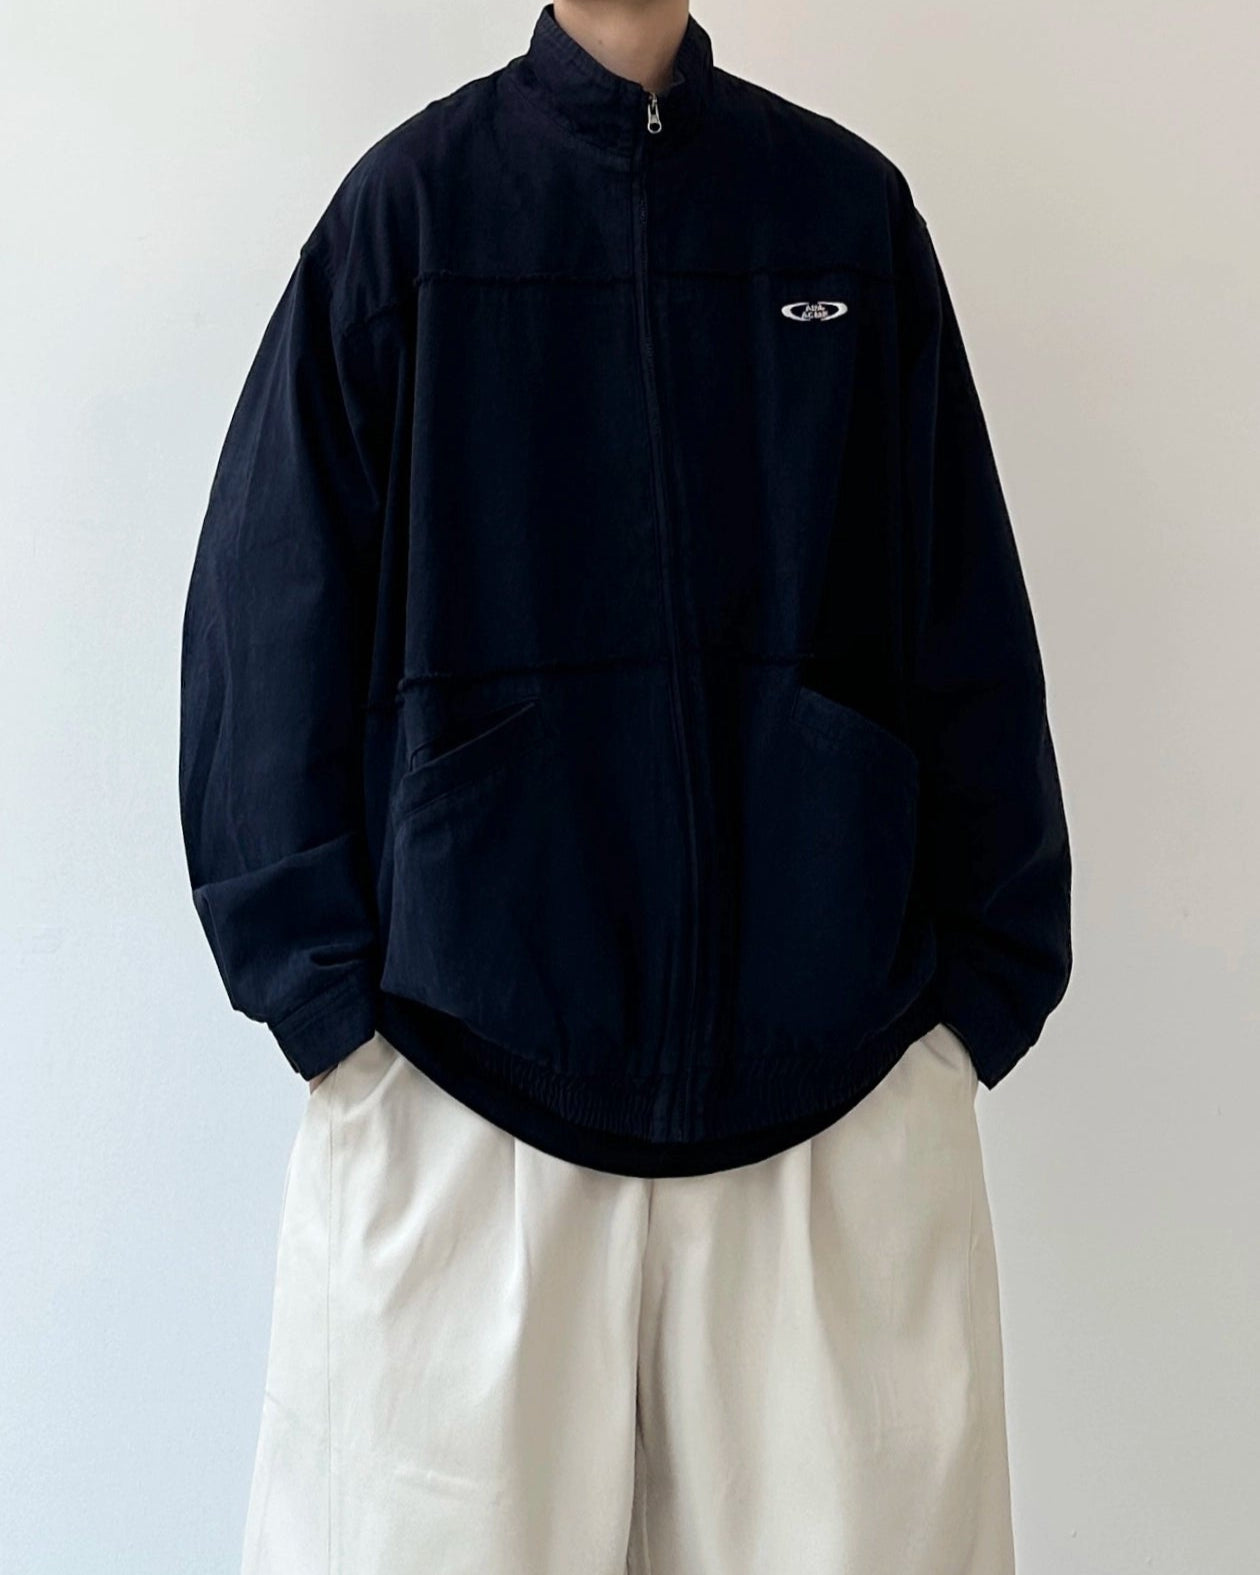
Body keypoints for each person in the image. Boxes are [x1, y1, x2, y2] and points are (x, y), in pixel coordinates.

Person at [178, 3, 1072, 1571]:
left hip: (833, 1099)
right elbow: (268, 614)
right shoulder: (412, 216)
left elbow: (963, 619)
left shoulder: (843, 213)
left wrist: (973, 1006)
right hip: (466, 1101)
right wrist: (330, 1015)